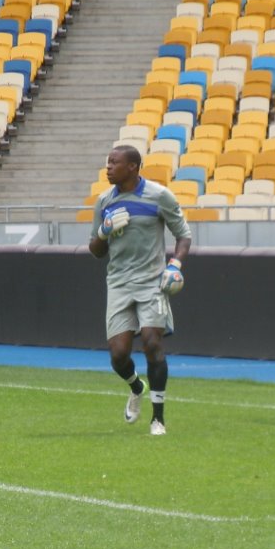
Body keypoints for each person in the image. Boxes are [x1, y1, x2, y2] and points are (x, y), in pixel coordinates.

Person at [89, 145, 192, 435]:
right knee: (118, 354)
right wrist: (103, 232)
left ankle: (158, 419)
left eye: (114, 163)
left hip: (152, 281)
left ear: (133, 167)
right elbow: (96, 251)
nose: (108, 168)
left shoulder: (159, 196)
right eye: (108, 162)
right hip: (119, 283)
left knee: (151, 342)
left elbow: (183, 235)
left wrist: (175, 265)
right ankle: (136, 386)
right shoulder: (104, 201)